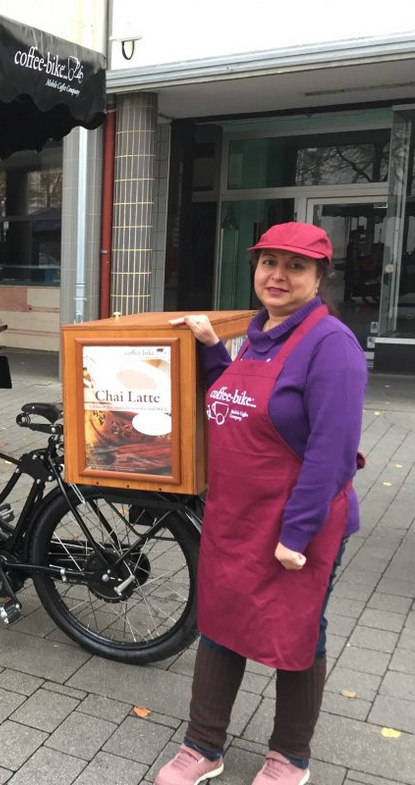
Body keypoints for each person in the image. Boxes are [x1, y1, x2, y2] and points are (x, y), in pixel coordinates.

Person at [155, 223, 367, 785]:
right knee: (221, 624)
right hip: (236, 516)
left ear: (319, 277)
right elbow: (237, 398)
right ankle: (203, 746)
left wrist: (296, 535)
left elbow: (333, 453)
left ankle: (289, 758)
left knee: (298, 634)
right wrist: (208, 349)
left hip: (298, 525)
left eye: (295, 266)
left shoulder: (332, 346)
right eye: (268, 262)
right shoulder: (257, 335)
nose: (277, 275)